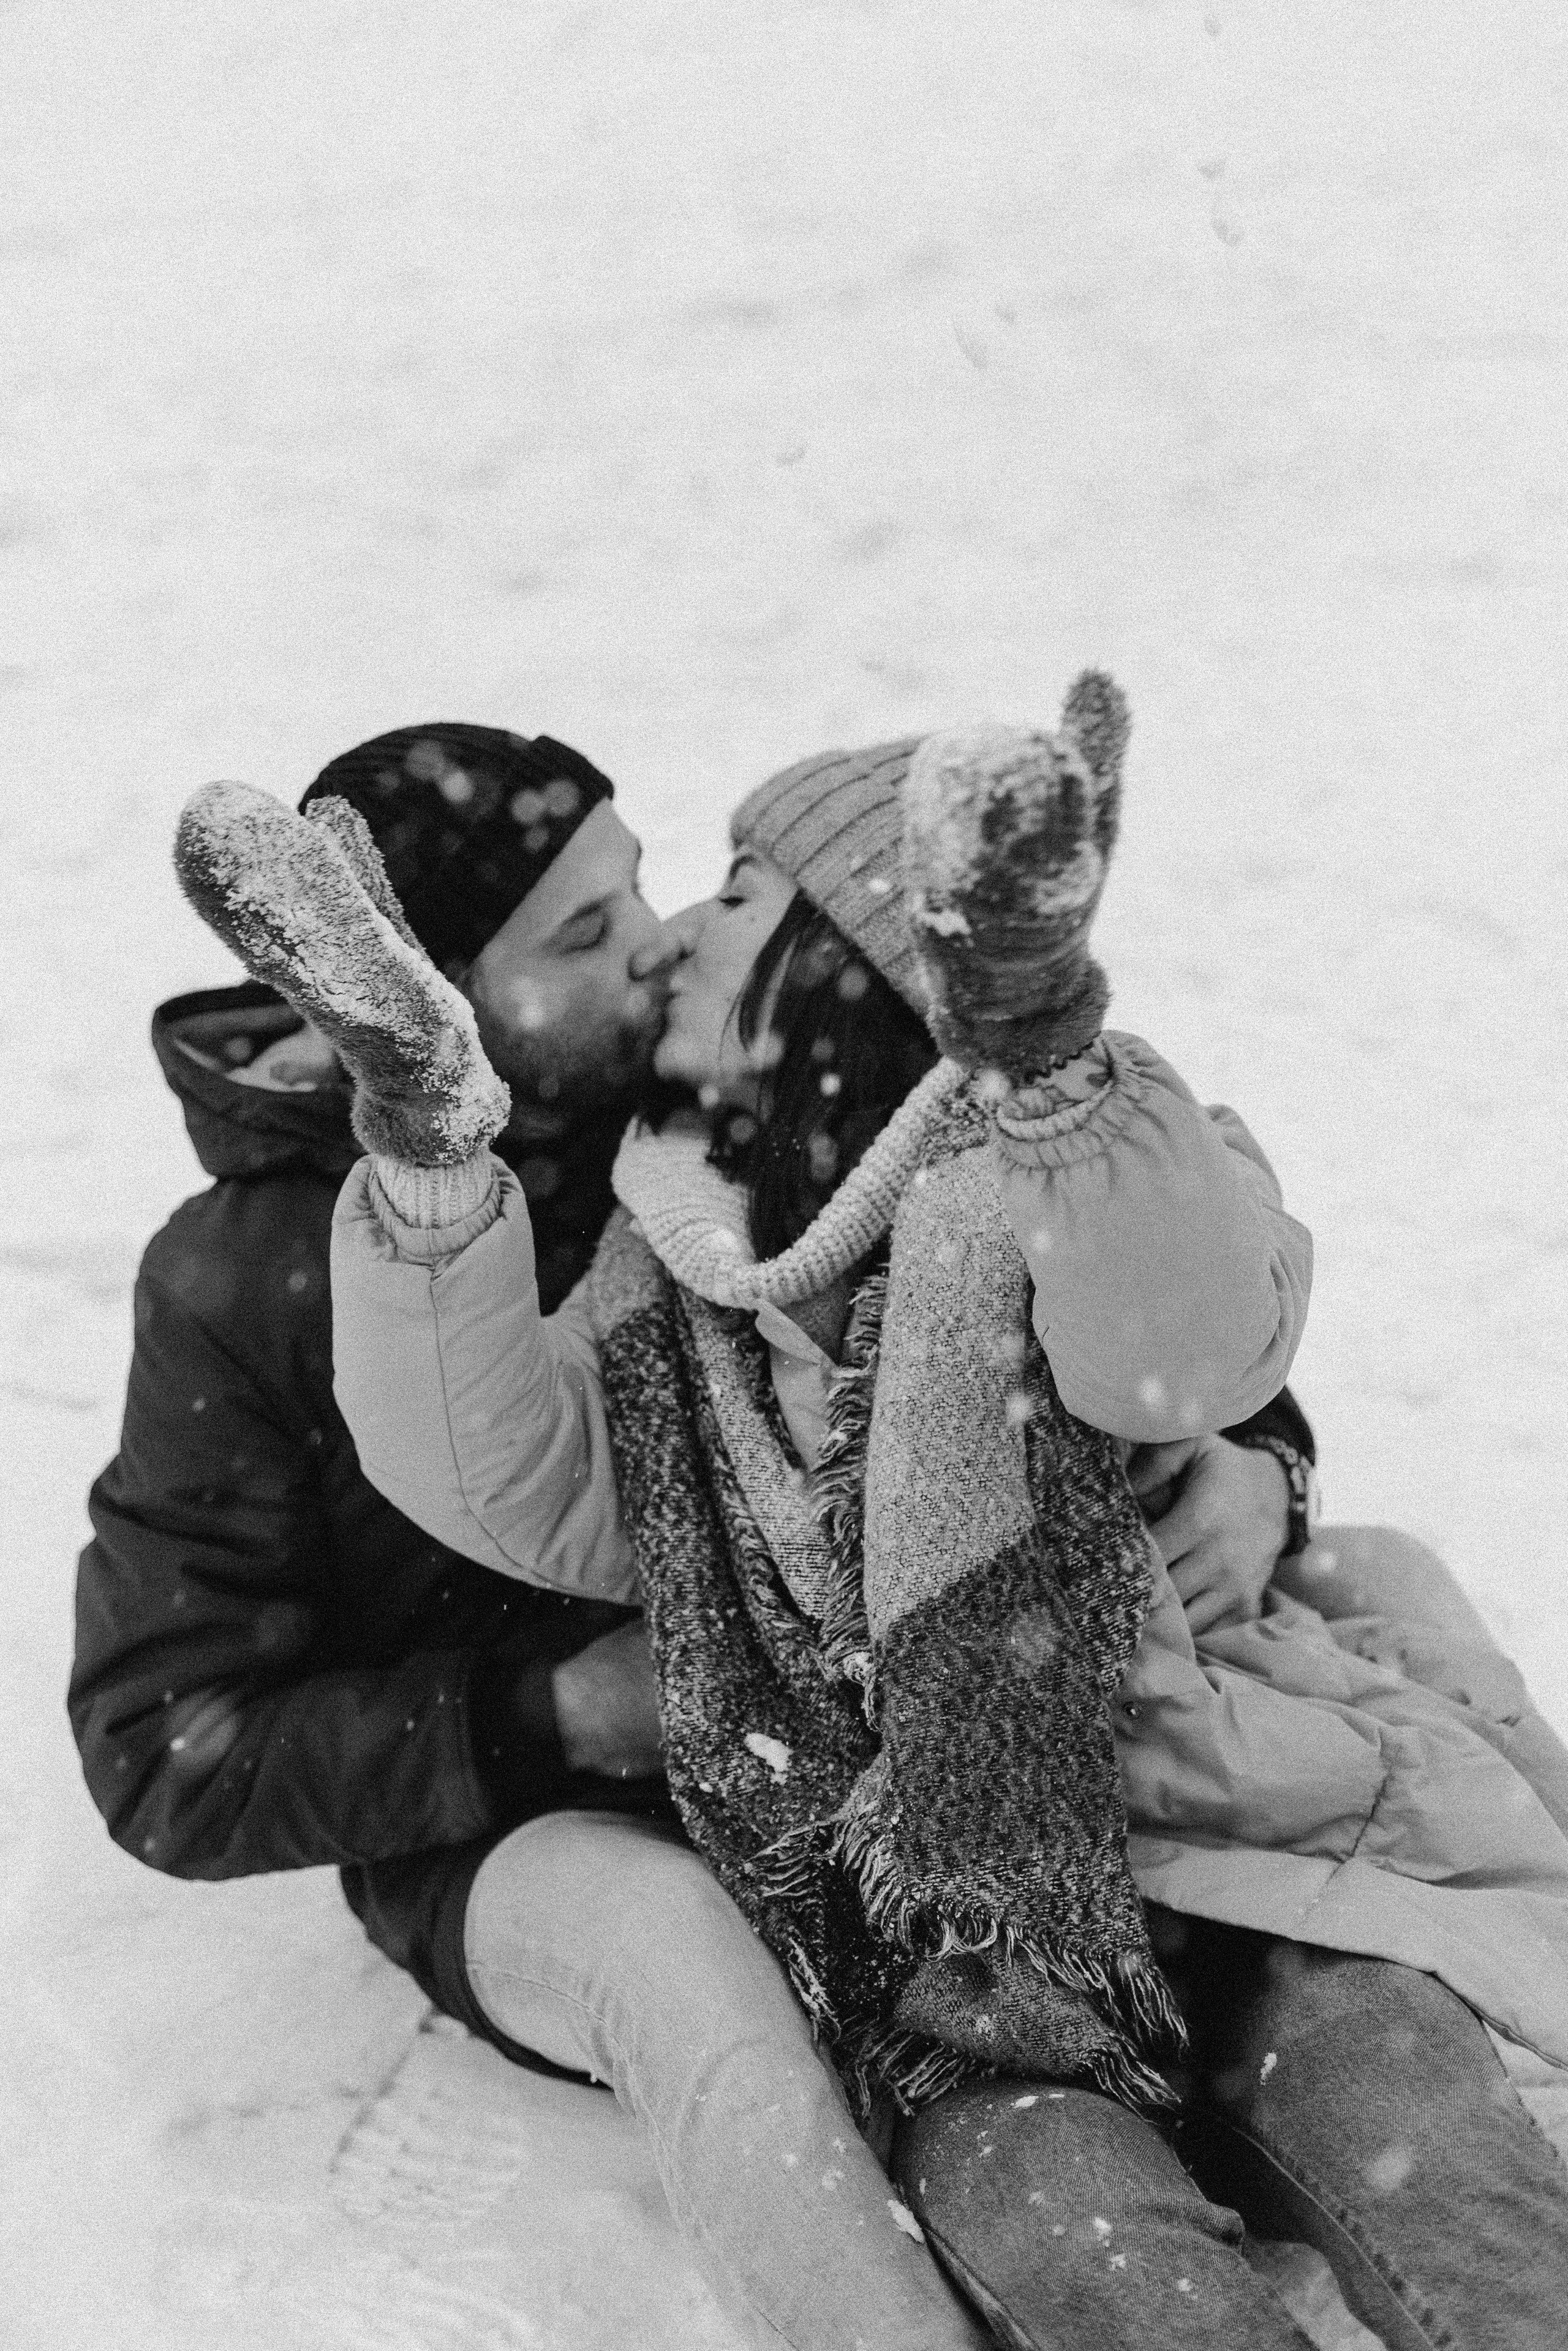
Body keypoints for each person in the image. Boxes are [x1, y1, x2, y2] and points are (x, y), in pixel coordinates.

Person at [174, 681, 1568, 2351]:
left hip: (1240, 1862)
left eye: (719, 893)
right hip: (938, 1972)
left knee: (1449, 2177)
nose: (674, 936)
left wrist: (1049, 1060)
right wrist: (422, 1146)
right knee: (1087, 2255)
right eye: (608, 920)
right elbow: (502, 1471)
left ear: (849, 972)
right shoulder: (653, 1273)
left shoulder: (1050, 1168)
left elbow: (1181, 1331)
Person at [69, 724, 685, 2065]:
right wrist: (557, 1711)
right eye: (585, 933)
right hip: (522, 1833)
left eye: (639, 883)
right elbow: (168, 1748)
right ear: (431, 995)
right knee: (708, 1996)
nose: (659, 944)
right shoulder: (247, 1281)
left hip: (824, 1752)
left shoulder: (710, 1122)